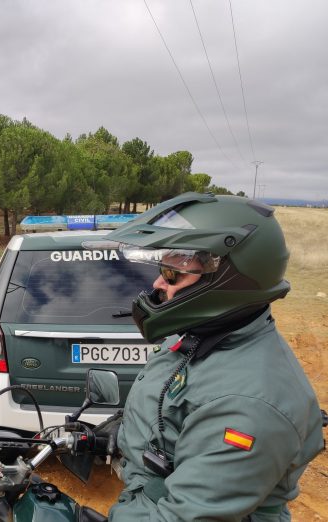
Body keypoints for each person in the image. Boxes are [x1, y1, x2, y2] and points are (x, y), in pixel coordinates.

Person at [97, 192, 324, 521]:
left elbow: (184, 516)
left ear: (228, 279)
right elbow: (174, 404)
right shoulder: (202, 336)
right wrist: (122, 432)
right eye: (162, 267)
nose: (159, 282)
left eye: (174, 272)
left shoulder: (249, 405)